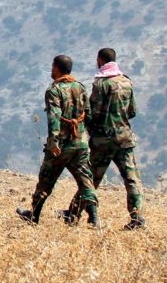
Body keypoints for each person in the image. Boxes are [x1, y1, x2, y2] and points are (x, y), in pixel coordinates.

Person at [66, 48, 146, 230]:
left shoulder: (101, 84)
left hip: (103, 139)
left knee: (91, 178)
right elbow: (132, 111)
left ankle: (74, 213)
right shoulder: (127, 82)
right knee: (131, 178)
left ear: (100, 60)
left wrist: (89, 127)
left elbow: (93, 112)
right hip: (124, 137)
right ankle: (137, 217)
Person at [17, 55, 99, 227]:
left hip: (62, 144)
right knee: (85, 180)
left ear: (57, 68)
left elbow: (54, 117)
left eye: (52, 66)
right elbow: (88, 113)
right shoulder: (80, 87)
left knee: (46, 180)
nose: (51, 69)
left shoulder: (54, 90)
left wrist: (54, 141)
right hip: (80, 142)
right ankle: (94, 218)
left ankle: (34, 215)